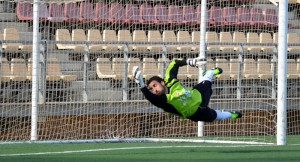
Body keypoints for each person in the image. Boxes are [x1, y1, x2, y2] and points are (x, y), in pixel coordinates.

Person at [132, 57, 242, 122]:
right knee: (215, 116)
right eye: (151, 89)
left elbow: (174, 63)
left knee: (207, 82)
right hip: (195, 113)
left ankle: (210, 72)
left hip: (197, 94)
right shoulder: (165, 101)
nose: (154, 90)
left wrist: (191, 62)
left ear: (162, 82)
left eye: (154, 85)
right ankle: (229, 114)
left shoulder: (169, 80)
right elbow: (152, 99)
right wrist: (141, 84)